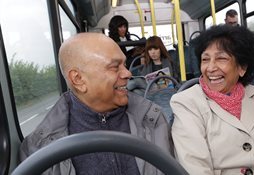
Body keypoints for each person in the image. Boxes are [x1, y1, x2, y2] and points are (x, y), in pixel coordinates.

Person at [19, 33, 172, 175]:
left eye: (124, 65)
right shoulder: (38, 148)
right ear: (78, 79)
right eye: (114, 67)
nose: (128, 73)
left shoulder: (154, 120)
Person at [170, 25, 254, 175]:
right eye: (205, 59)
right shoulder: (186, 103)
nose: (210, 68)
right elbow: (194, 168)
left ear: (242, 67)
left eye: (221, 58)